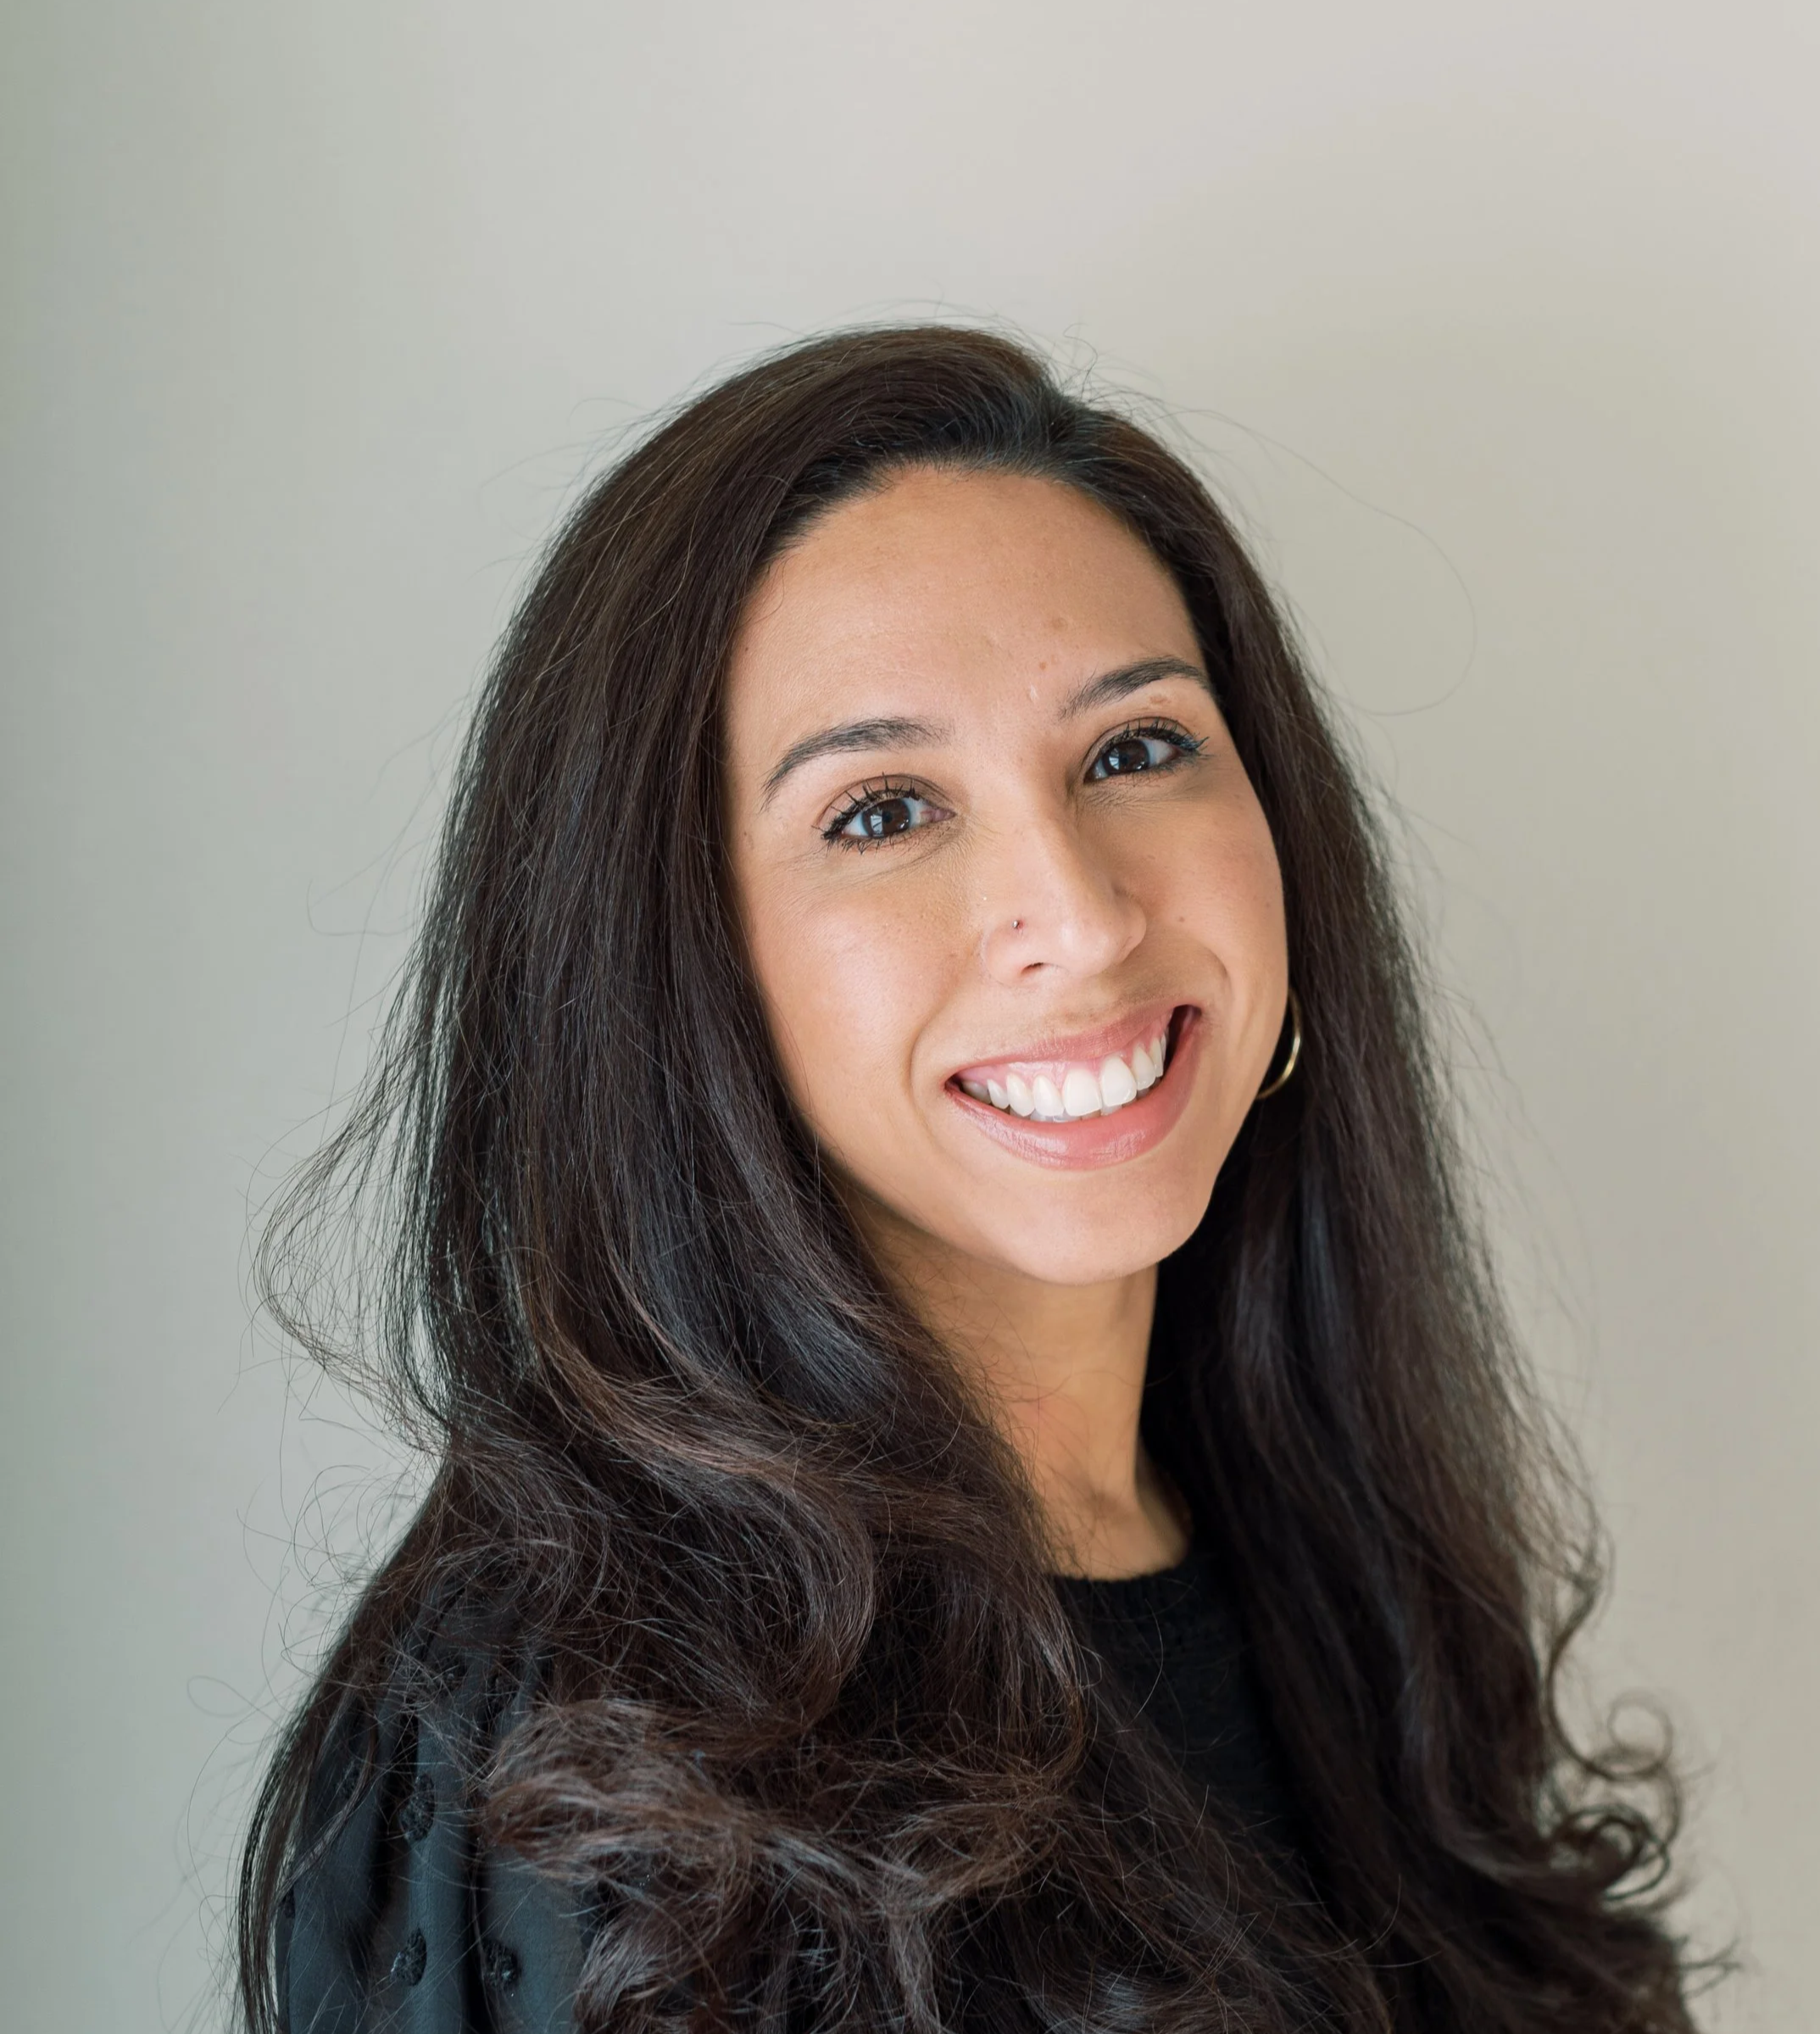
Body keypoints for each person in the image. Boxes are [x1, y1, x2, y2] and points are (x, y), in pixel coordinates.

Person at [238, 326, 1694, 2034]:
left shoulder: (1348, 1580)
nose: (1075, 916)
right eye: (881, 809)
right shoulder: (556, 1751)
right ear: (677, 962)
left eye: (1132, 751)